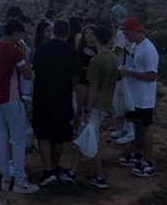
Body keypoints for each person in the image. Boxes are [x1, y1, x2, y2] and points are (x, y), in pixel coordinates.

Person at [0, 19, 39, 194]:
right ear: (15, 33)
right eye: (20, 36)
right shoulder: (14, 51)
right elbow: (28, 74)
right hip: (12, 98)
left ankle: (5, 178)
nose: (20, 39)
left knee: (1, 137)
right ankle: (20, 180)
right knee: (19, 139)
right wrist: (24, 55)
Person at [65, 25, 119, 189]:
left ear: (96, 38)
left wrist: (87, 109)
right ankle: (72, 172)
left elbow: (93, 88)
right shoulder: (114, 58)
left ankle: (100, 177)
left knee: (91, 138)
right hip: (105, 103)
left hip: (94, 105)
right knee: (85, 136)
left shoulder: (96, 61)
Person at [32, 19, 82, 186]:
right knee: (58, 135)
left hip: (42, 97)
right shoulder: (71, 52)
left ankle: (48, 170)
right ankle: (54, 166)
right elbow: (75, 79)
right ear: (67, 33)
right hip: (62, 98)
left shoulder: (42, 49)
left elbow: (35, 70)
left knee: (43, 133)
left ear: (54, 31)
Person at [117, 18, 159, 178]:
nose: (126, 37)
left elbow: (152, 76)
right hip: (135, 96)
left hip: (144, 98)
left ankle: (147, 163)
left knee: (146, 127)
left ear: (136, 31)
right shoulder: (136, 46)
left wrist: (129, 73)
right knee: (138, 126)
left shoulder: (148, 49)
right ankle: (137, 155)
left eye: (127, 34)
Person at [109, 5, 135, 145]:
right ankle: (126, 128)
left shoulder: (121, 32)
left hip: (124, 70)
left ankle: (130, 131)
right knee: (124, 100)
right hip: (125, 69)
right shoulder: (121, 30)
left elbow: (116, 52)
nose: (110, 18)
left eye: (111, 15)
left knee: (126, 100)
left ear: (115, 17)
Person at [73, 24, 97, 135]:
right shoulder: (80, 48)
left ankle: (87, 133)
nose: (88, 35)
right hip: (81, 78)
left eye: (91, 33)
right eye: (86, 33)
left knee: (89, 108)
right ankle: (76, 131)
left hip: (93, 79)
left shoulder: (98, 50)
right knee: (79, 108)